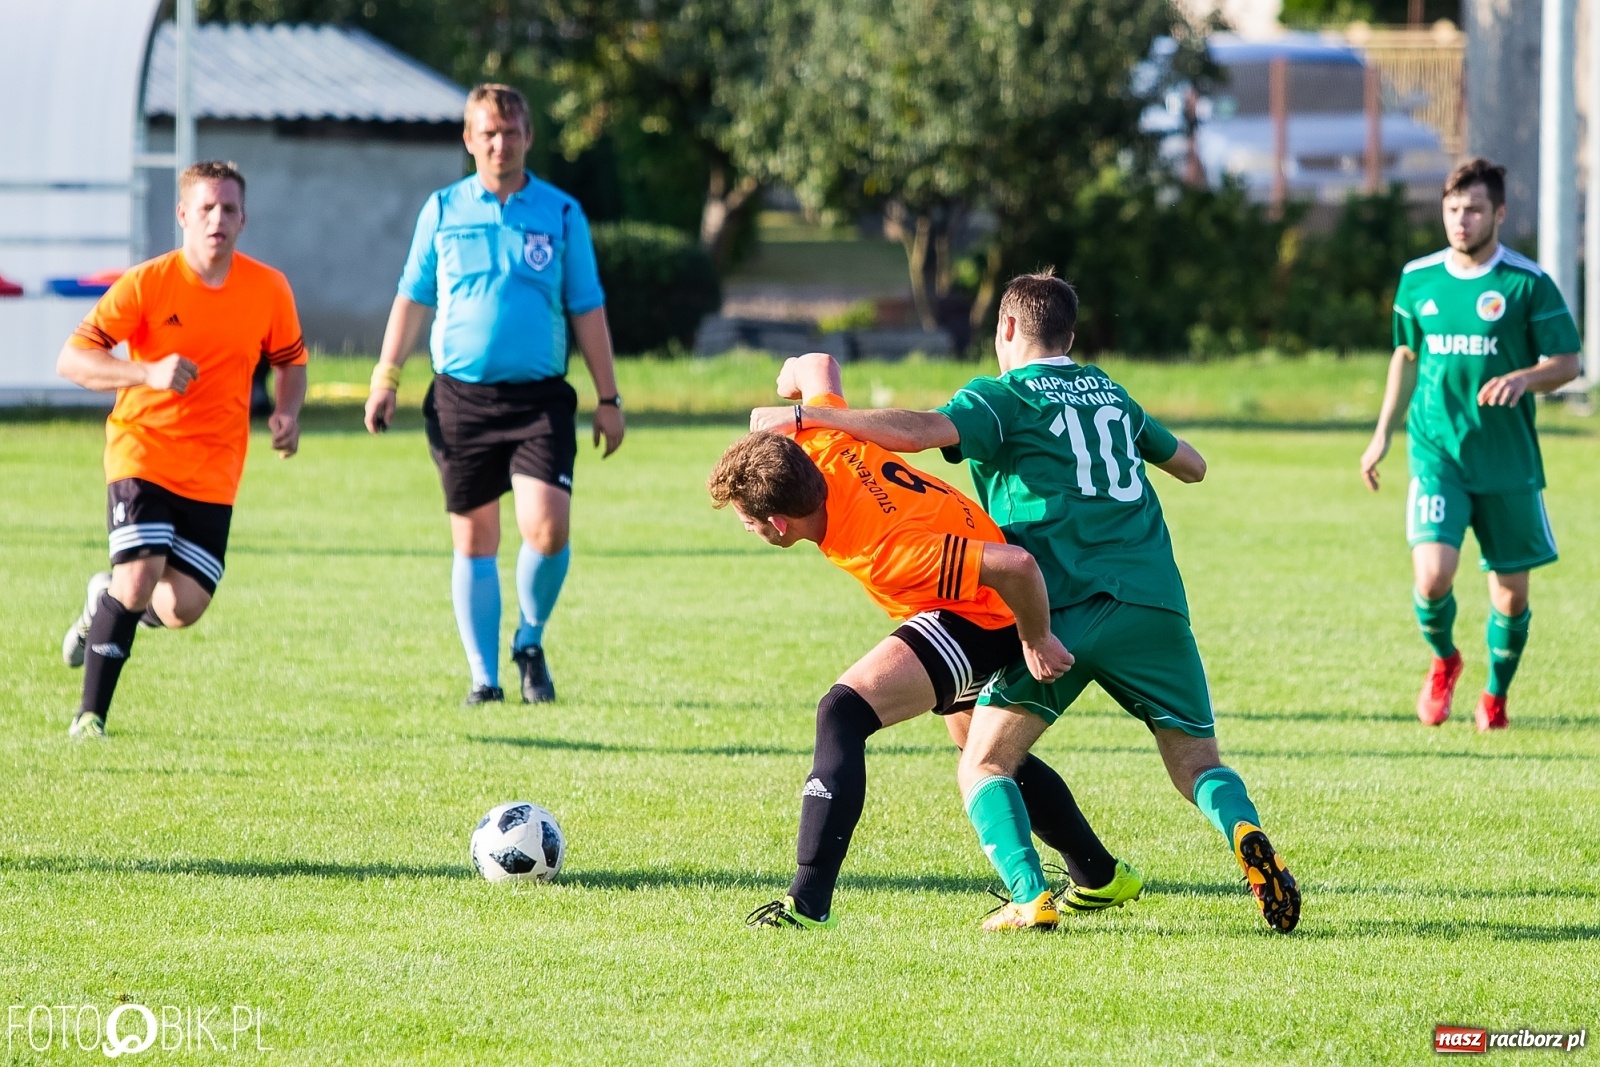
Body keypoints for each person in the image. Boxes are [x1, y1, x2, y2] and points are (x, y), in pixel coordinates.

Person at [751, 272, 1300, 933]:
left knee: (982, 760)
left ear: (1007, 328)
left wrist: (810, 415)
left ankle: (1025, 894)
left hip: (1055, 608)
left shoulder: (1001, 397)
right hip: (1155, 601)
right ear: (1069, 334)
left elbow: (925, 428)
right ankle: (1237, 829)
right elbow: (1193, 464)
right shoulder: (1111, 394)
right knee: (1197, 765)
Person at [710, 352, 1142, 931]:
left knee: (842, 711)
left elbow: (1014, 566)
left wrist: (1035, 637)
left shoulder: (888, 550)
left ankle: (808, 903)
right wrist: (787, 393)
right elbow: (816, 363)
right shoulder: (825, 446)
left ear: (780, 524)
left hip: (984, 615)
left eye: (747, 520)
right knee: (982, 753)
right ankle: (1099, 874)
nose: (748, 527)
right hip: (961, 600)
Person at [364, 84, 624, 706]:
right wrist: (385, 376)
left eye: (510, 132)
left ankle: (528, 640)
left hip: (538, 401)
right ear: (468, 139)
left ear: (528, 137)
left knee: (548, 529)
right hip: (460, 401)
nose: (500, 143)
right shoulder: (443, 209)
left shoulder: (561, 213)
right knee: (475, 539)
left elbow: (587, 307)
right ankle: (485, 678)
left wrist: (608, 398)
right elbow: (413, 296)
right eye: (488, 132)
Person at [57, 160, 307, 739]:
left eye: (229, 209)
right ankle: (89, 718)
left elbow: (291, 359)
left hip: (216, 469)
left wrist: (288, 411)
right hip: (142, 451)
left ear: (245, 218)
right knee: (140, 578)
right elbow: (73, 359)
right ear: (182, 215)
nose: (217, 218)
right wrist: (145, 372)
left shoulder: (268, 288)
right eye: (206, 208)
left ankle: (106, 601)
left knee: (181, 609)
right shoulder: (148, 283)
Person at [1360, 159, 1582, 731]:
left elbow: (1567, 363)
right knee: (1432, 576)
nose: (1461, 220)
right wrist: (1383, 432)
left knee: (1510, 595)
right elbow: (1406, 356)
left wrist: (1526, 378)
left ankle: (1495, 696)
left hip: (1507, 461)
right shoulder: (1419, 279)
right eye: (1453, 209)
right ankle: (1444, 660)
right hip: (1439, 454)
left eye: (1475, 209)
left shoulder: (1526, 283)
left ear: (1499, 214)